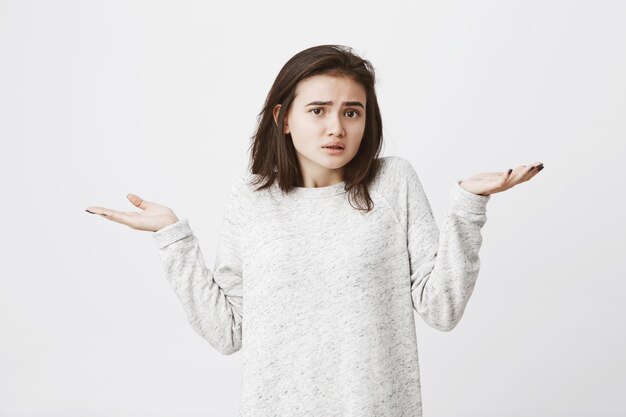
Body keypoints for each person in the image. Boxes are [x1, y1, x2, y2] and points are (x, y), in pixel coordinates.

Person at [85, 44, 544, 417]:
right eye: (318, 110)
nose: (335, 128)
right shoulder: (251, 197)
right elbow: (227, 331)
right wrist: (173, 238)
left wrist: (468, 206)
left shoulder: (394, 182)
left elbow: (441, 309)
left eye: (351, 112)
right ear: (284, 118)